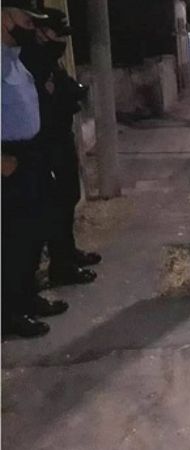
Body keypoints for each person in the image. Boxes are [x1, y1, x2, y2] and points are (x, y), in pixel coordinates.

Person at [20, 7, 101, 287]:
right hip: (45, 143)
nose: (60, 40)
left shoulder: (48, 59)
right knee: (55, 206)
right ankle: (61, 266)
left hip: (59, 139)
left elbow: (67, 91)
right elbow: (47, 101)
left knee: (67, 199)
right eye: (56, 33)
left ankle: (67, 254)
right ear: (42, 32)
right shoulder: (31, 60)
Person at [2, 0, 68, 338]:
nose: (30, 26)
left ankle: (27, 299)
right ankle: (10, 314)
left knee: (32, 235)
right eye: (27, 19)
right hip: (8, 162)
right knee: (13, 241)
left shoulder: (15, 60)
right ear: (5, 15)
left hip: (30, 156)